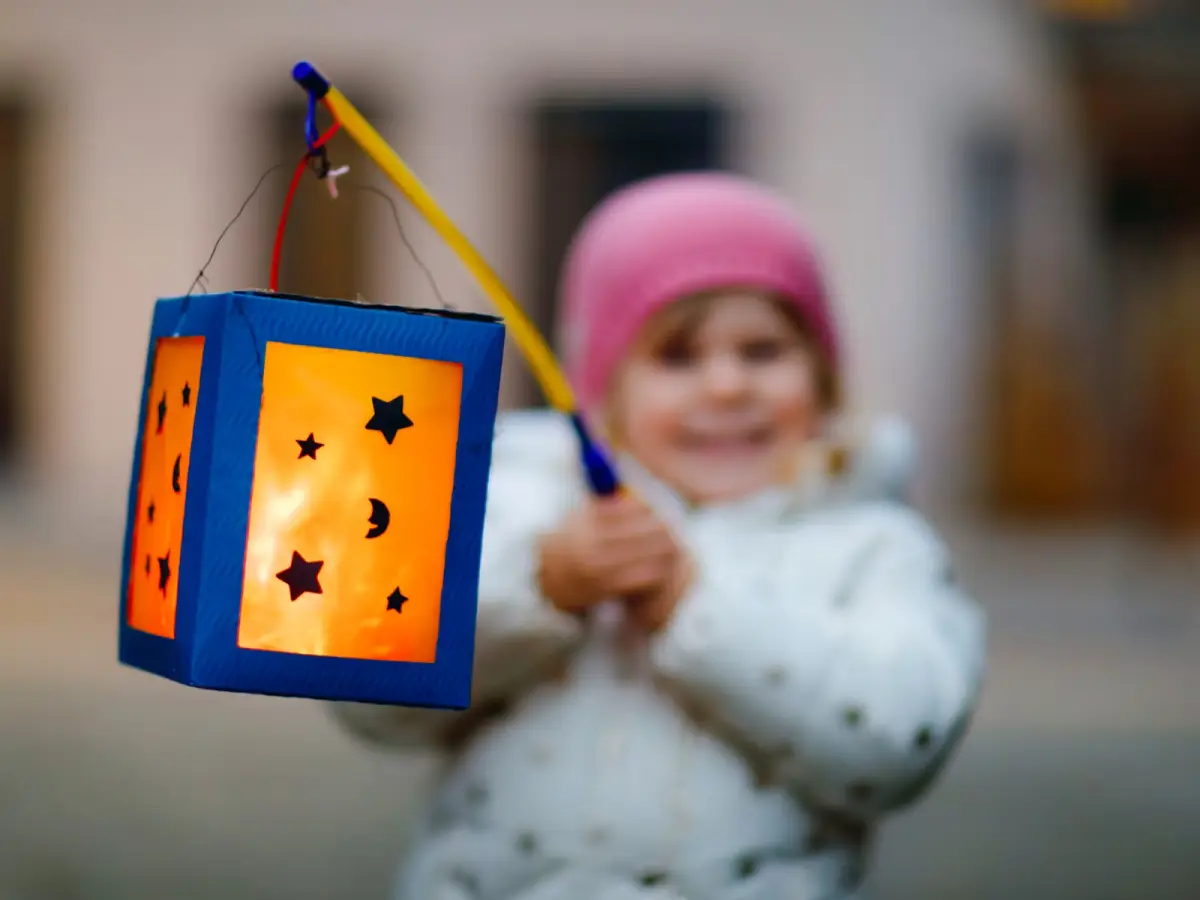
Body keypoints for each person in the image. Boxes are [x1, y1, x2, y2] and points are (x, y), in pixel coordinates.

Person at [330, 172, 987, 900]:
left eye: (764, 350)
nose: (727, 387)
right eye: (677, 356)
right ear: (601, 391)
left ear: (825, 377)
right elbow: (372, 695)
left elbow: (898, 745)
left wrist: (698, 611)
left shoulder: (871, 544)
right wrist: (540, 586)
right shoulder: (522, 505)